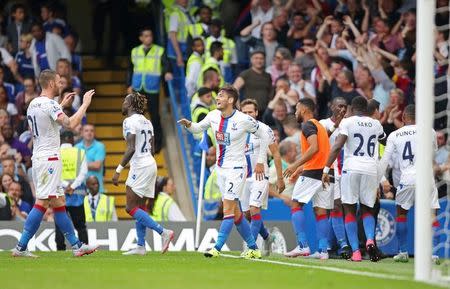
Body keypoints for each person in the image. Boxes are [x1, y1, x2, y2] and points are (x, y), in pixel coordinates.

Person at [178, 85, 272, 259]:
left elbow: (266, 134)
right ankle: (253, 247)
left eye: (221, 96)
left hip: (237, 168)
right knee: (236, 213)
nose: (217, 98)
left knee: (228, 208)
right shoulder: (213, 115)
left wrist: (260, 161)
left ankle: (217, 248)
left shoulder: (244, 119)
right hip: (220, 170)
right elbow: (199, 128)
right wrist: (189, 125)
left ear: (231, 100)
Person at [12, 69, 97, 257]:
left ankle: (76, 246)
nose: (61, 85)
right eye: (58, 82)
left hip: (41, 157)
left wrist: (60, 105)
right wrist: (84, 105)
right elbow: (71, 124)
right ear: (51, 83)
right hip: (49, 159)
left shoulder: (34, 103)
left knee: (59, 203)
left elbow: (47, 124)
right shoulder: (50, 105)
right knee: (42, 202)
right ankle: (20, 247)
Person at [322, 96, 385, 262]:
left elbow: (337, 146)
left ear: (352, 107)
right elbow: (383, 142)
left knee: (349, 209)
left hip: (351, 168)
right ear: (366, 109)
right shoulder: (376, 124)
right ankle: (370, 239)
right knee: (367, 209)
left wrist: (326, 168)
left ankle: (356, 252)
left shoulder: (347, 122)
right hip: (371, 169)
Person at [112, 92, 174, 256]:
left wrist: (118, 170)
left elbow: (131, 148)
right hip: (150, 164)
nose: (123, 103)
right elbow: (152, 149)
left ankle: (163, 232)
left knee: (130, 207)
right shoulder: (147, 122)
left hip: (140, 166)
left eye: (125, 100)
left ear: (131, 104)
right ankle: (140, 246)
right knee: (139, 207)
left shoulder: (129, 121)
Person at [378, 105, 441, 264]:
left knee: (401, 215)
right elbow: (434, 152)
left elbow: (385, 160)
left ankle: (403, 251)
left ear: (404, 118)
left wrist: (378, 181)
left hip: (407, 179)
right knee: (430, 215)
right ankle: (432, 253)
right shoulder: (430, 131)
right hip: (426, 178)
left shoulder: (394, 135)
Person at [283, 98, 332, 259]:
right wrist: (299, 168)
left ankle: (303, 246)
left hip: (313, 173)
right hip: (326, 173)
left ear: (304, 110)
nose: (295, 112)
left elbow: (314, 148)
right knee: (320, 210)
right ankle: (323, 251)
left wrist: (293, 165)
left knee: (296, 204)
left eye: (296, 109)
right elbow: (321, 153)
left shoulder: (307, 125)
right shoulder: (321, 127)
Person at [240, 99, 285, 255]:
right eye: (244, 112)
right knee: (247, 215)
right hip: (242, 178)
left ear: (256, 113)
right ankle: (267, 236)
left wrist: (280, 179)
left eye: (250, 112)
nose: (247, 115)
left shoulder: (265, 130)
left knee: (254, 209)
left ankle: (251, 247)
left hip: (260, 176)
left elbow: (276, 154)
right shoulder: (237, 130)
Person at [128, 28, 172, 153]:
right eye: (146, 36)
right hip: (137, 86)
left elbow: (166, 64)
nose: (149, 38)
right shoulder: (135, 51)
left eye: (150, 35)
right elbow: (130, 69)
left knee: (154, 116)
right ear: (141, 38)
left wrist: (167, 72)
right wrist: (129, 84)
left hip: (152, 87)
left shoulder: (159, 50)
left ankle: (157, 144)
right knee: (136, 116)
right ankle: (136, 143)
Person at [318, 96, 351, 259]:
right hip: (328, 170)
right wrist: (335, 126)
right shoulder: (323, 123)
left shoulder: (350, 124)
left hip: (346, 171)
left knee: (340, 207)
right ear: (332, 107)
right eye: (339, 106)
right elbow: (320, 143)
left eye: (345, 107)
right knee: (333, 207)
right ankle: (342, 243)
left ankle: (333, 245)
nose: (342, 110)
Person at [55, 131, 88, 251]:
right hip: (76, 195)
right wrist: (72, 186)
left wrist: (65, 185)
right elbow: (83, 173)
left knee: (59, 225)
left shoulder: (55, 153)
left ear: (61, 139)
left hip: (59, 194)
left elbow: (53, 173)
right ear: (71, 140)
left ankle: (60, 249)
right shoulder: (80, 152)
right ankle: (84, 247)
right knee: (80, 226)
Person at [233, 50, 273, 115]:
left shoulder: (268, 76)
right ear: (251, 60)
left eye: (261, 58)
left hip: (265, 112)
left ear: (264, 60)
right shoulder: (245, 74)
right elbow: (234, 89)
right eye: (256, 58)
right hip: (249, 113)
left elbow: (271, 94)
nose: (259, 61)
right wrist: (239, 107)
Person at [75, 124, 106, 193]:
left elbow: (97, 166)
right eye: (86, 131)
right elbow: (74, 167)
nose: (89, 133)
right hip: (80, 189)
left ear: (94, 133)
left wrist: (79, 164)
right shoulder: (76, 147)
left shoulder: (100, 146)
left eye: (91, 131)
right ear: (82, 133)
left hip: (96, 189)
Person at [205, 18, 237, 83]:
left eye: (215, 26)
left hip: (226, 73)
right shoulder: (204, 42)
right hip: (209, 72)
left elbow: (234, 63)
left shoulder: (230, 43)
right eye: (211, 26)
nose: (213, 29)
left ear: (220, 28)